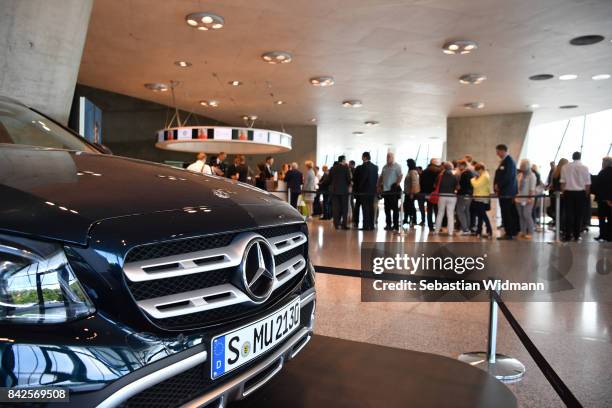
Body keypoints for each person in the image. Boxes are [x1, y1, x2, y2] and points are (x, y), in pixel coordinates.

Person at [560, 152, 591, 241]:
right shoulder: (585, 168)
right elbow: (587, 184)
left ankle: (568, 235)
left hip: (568, 192)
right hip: (580, 193)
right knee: (579, 215)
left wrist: (564, 192)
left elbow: (562, 182)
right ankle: (577, 235)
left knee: (568, 214)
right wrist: (586, 194)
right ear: (580, 157)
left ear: (572, 157)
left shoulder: (565, 167)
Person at [494, 144, 519, 240]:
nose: (497, 153)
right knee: (506, 212)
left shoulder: (509, 162)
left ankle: (509, 233)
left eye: (497, 151)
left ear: (502, 151)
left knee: (507, 213)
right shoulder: (505, 161)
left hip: (507, 192)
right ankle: (510, 232)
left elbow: (507, 177)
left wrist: (498, 185)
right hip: (504, 192)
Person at [353, 152, 379, 230]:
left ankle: (366, 226)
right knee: (371, 208)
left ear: (364, 157)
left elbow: (363, 179)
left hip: (364, 191)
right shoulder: (375, 167)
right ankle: (371, 225)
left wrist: (358, 189)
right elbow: (376, 178)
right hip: (372, 191)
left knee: (365, 208)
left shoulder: (363, 167)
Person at [378, 152, 403, 231]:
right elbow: (381, 176)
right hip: (385, 191)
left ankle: (396, 226)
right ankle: (388, 224)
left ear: (393, 157)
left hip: (393, 191)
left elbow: (401, 175)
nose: (388, 158)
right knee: (387, 209)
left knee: (395, 209)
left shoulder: (397, 166)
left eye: (390, 156)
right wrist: (378, 185)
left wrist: (397, 184)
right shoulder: (384, 167)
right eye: (387, 156)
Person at [432, 162, 458, 235]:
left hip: (442, 195)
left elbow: (435, 186)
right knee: (450, 214)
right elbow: (457, 187)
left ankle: (436, 231)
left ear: (444, 167)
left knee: (440, 213)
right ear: (451, 168)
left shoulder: (440, 176)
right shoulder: (454, 176)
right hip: (452, 196)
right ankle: (450, 232)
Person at [515, 159, 537, 239]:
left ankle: (531, 232)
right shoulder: (520, 175)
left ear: (527, 167)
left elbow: (532, 189)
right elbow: (517, 187)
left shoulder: (532, 176)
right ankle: (523, 231)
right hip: (519, 198)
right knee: (521, 215)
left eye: (523, 166)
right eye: (521, 166)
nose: (521, 168)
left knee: (527, 215)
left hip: (528, 199)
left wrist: (530, 198)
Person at [329, 155, 352, 229]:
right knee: (344, 208)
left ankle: (336, 224)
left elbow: (329, 179)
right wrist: (349, 185)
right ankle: (344, 224)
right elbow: (348, 179)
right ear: (343, 160)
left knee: (336, 208)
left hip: (335, 191)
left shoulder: (333, 168)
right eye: (345, 160)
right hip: (344, 191)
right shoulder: (346, 168)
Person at [471, 163, 493, 238]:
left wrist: (473, 179)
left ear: (481, 169)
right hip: (478, 197)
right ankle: (479, 231)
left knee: (483, 215)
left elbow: (476, 185)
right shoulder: (481, 176)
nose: (476, 172)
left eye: (477, 170)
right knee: (480, 216)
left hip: (482, 198)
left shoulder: (485, 176)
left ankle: (489, 230)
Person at [593, 157, 612, 241]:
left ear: (605, 163)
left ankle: (602, 235)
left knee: (602, 218)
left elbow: (598, 187)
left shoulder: (602, 173)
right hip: (611, 201)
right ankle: (610, 236)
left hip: (602, 200)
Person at [420, 159, 441, 229]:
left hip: (426, 193)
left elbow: (421, 182)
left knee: (429, 210)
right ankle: (437, 226)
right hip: (435, 193)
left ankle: (430, 226)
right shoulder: (438, 172)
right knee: (436, 210)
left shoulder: (424, 172)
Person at [547, 158, 568, 226]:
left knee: (557, 210)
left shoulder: (555, 173)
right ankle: (561, 226)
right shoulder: (564, 173)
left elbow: (552, 184)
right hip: (562, 195)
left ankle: (557, 224)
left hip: (555, 194)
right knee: (562, 211)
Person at [456, 160, 474, 235]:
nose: (458, 167)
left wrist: (458, 187)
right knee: (466, 211)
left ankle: (465, 229)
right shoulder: (470, 173)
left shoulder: (465, 173)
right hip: (469, 195)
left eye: (459, 165)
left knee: (459, 211)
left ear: (463, 165)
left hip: (463, 195)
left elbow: (462, 186)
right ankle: (467, 228)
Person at [402, 159, 420, 227]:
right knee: (407, 206)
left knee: (410, 206)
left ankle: (413, 220)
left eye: (407, 163)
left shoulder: (412, 172)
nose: (407, 164)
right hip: (407, 192)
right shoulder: (410, 171)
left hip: (410, 193)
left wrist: (412, 193)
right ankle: (407, 219)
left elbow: (414, 183)